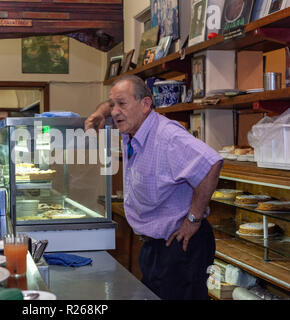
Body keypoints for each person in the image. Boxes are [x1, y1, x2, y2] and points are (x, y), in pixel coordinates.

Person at [85, 75, 223, 300]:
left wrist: (193, 219)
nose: (115, 111)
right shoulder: (131, 127)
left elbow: (211, 163)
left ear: (146, 104)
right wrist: (101, 113)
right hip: (155, 245)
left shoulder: (167, 136)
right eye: (113, 105)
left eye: (122, 103)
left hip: (181, 244)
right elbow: (109, 107)